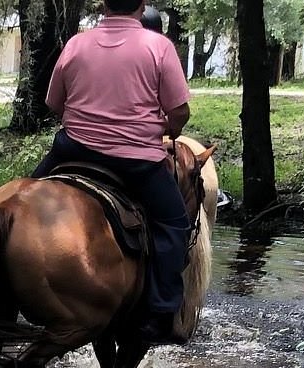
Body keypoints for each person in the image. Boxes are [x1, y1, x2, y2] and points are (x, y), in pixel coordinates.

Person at [30, 0, 193, 344]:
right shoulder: (158, 47)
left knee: (21, 194)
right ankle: (161, 313)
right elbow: (179, 113)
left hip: (72, 151)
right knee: (174, 222)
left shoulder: (76, 43)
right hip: (135, 162)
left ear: (103, 4)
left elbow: (53, 103)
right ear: (142, 4)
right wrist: (166, 128)